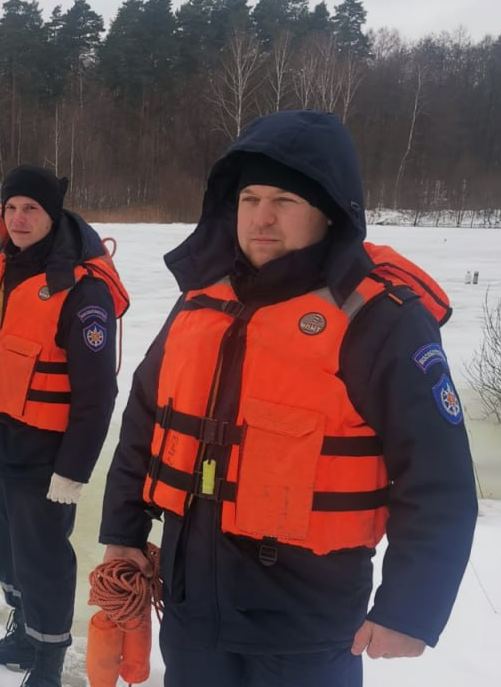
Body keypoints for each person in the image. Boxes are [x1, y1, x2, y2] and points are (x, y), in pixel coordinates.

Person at [98, 110, 478, 687]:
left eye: (285, 200)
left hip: (308, 631)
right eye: (249, 199)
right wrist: (123, 533)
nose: (262, 218)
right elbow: (145, 423)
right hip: (191, 614)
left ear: (328, 211)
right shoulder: (199, 305)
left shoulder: (380, 320)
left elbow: (439, 477)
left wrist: (411, 609)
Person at [0, 165, 128, 687]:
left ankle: (50, 662)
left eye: (31, 208)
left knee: (43, 562)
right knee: (5, 550)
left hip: (46, 457)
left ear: (52, 214)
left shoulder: (81, 292)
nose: (18, 218)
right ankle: (22, 637)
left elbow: (98, 394)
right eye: (11, 207)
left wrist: (73, 471)